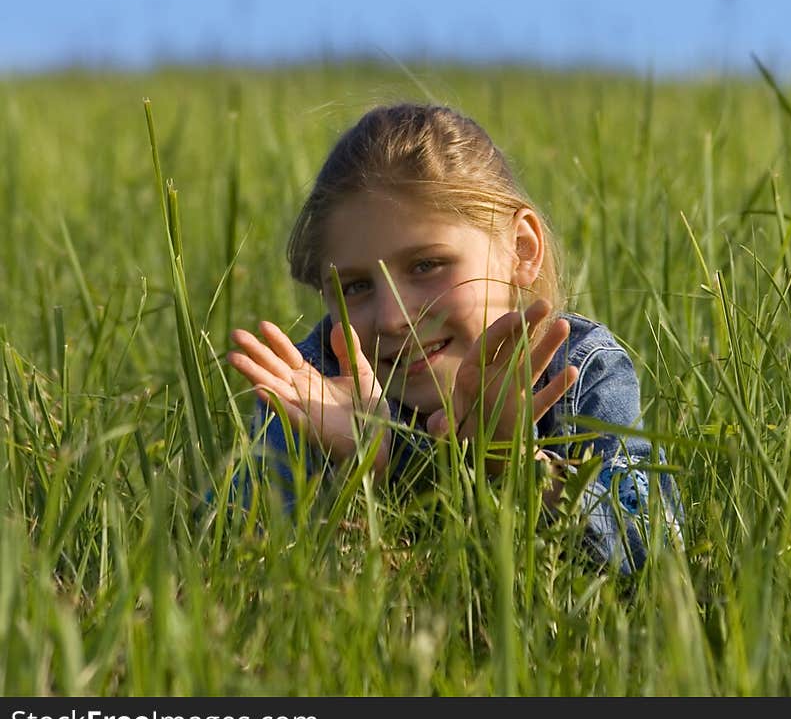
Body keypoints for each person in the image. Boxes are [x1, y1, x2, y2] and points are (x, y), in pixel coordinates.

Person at [227, 101, 683, 574]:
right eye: (356, 287)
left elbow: (658, 565)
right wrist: (362, 473)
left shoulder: (577, 370)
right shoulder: (317, 385)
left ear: (520, 250)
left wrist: (516, 467)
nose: (391, 318)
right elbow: (234, 568)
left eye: (426, 266)